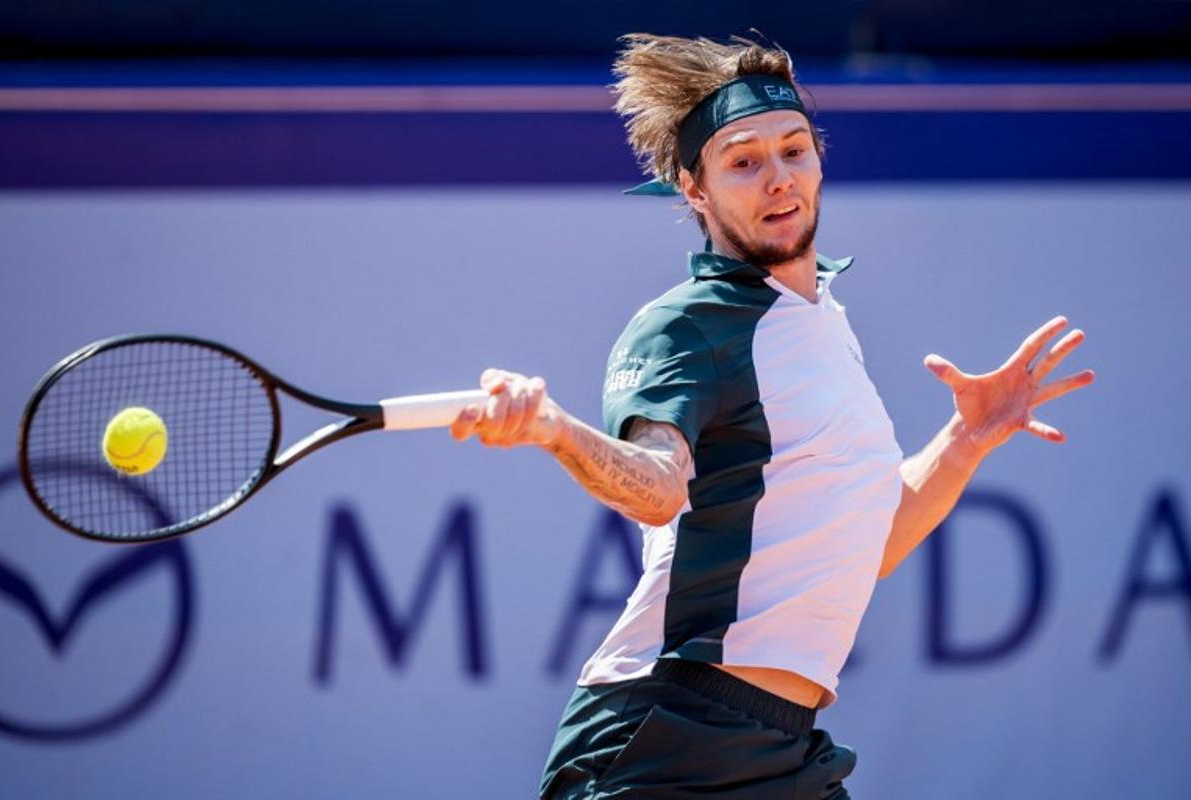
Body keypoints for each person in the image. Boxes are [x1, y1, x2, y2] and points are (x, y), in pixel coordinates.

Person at [450, 33, 1095, 799]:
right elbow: (658, 487)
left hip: (786, 750)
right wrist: (553, 430)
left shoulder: (819, 317)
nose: (778, 178)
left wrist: (966, 439)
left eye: (793, 150)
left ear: (819, 157)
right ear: (694, 189)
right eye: (743, 161)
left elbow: (868, 544)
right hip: (667, 738)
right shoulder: (690, 326)